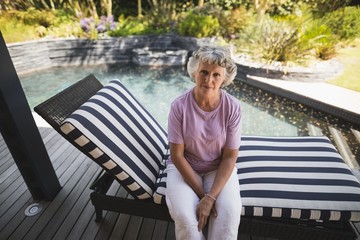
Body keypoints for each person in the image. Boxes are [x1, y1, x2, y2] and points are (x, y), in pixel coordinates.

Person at [166, 45, 242, 240]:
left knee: (229, 214)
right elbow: (177, 155)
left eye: (216, 75)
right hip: (184, 167)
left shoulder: (232, 108)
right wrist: (204, 196)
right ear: (195, 73)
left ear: (224, 78)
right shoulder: (179, 106)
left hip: (218, 168)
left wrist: (212, 196)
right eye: (204, 72)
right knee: (185, 217)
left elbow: (230, 156)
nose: (209, 80)